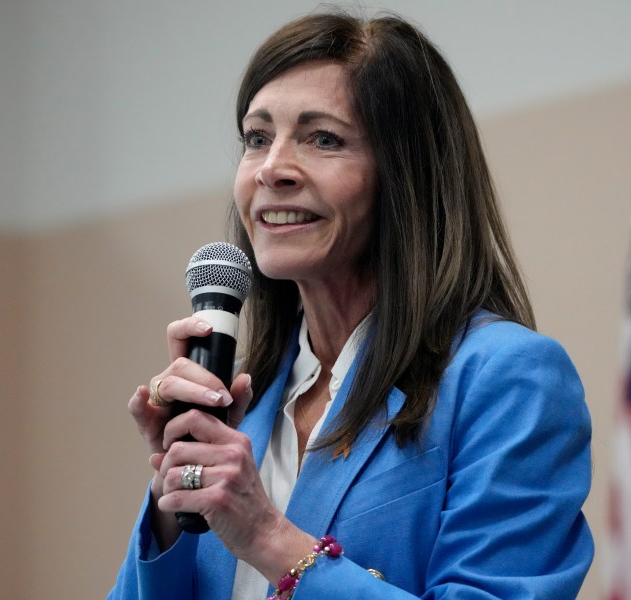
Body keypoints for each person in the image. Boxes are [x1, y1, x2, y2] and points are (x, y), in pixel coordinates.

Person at [110, 9, 593, 600]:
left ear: (406, 176)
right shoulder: (241, 404)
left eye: (323, 139)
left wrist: (266, 535)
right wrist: (172, 504)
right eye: (257, 138)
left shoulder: (508, 378)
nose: (271, 169)